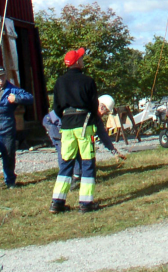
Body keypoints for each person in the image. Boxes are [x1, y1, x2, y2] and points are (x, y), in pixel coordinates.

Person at [49, 48, 126, 214]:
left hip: (67, 126)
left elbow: (56, 108)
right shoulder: (88, 81)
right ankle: (86, 203)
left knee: (66, 162)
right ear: (77, 62)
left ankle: (57, 202)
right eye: (81, 58)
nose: (83, 59)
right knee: (87, 162)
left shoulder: (59, 82)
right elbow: (93, 106)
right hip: (84, 125)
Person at [42, 109, 82, 179]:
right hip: (52, 123)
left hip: (61, 122)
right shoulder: (70, 113)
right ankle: (65, 175)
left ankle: (77, 173)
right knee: (63, 149)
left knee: (75, 147)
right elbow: (62, 126)